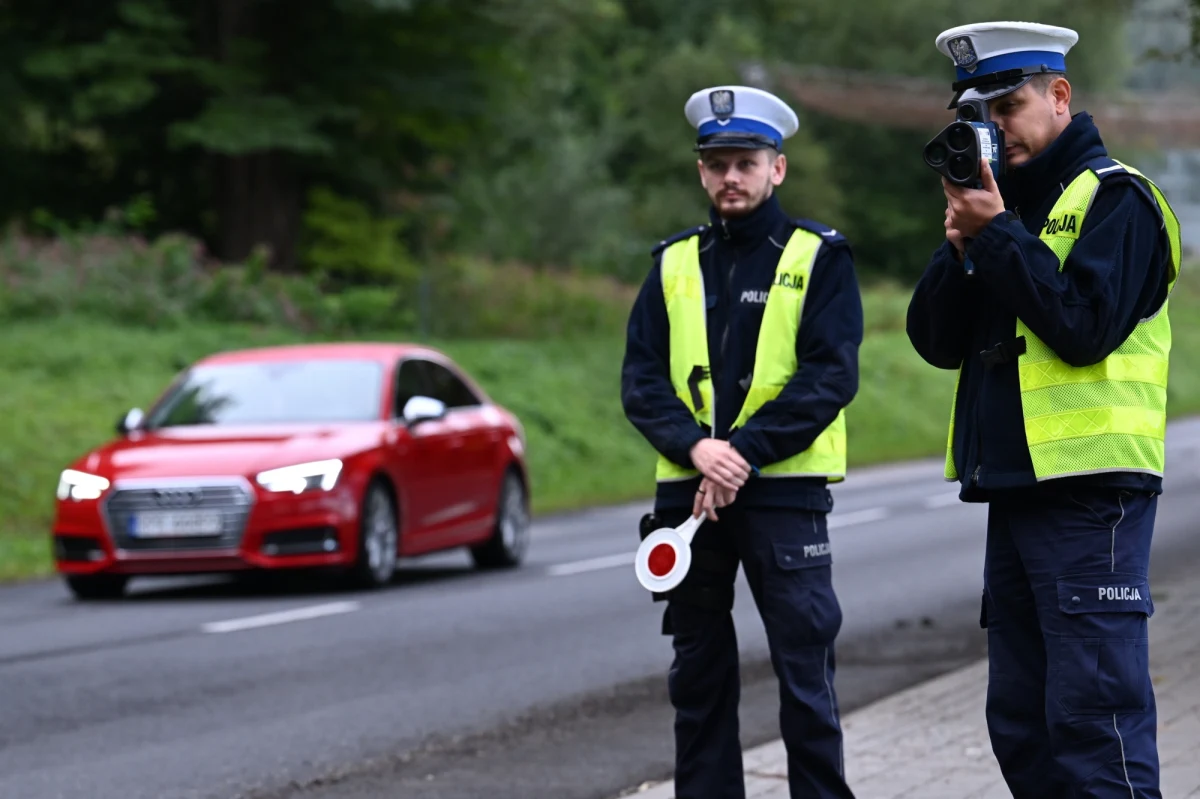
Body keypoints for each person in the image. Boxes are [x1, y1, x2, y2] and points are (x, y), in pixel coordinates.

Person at [907, 21, 1183, 797]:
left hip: (1094, 500)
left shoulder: (1120, 200)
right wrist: (966, 242)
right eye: (978, 116)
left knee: (1095, 722)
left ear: (1060, 96)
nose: (993, 128)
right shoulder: (1001, 214)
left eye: (1009, 105)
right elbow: (934, 338)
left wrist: (996, 236)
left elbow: (1083, 326)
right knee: (1023, 724)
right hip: (1019, 493)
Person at [621, 84, 863, 799]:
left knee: (805, 675)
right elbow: (640, 379)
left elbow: (829, 376)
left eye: (746, 162)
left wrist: (744, 452)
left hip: (784, 494)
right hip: (687, 499)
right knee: (697, 677)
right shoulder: (670, 264)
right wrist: (699, 448)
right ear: (701, 171)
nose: (731, 175)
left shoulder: (821, 257)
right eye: (718, 162)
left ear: (776, 168)